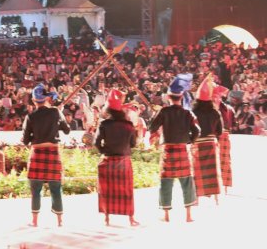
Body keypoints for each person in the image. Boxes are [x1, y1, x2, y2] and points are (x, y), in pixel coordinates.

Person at [149, 74, 199, 222]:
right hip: (183, 149)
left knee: (166, 182)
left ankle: (166, 215)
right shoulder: (187, 113)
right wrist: (189, 140)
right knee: (187, 182)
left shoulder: (164, 111)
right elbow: (197, 130)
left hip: (168, 150)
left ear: (169, 97)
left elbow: (152, 128)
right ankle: (188, 216)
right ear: (181, 97)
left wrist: (155, 114)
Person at [22, 84, 70, 227]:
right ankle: (60, 221)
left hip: (37, 152)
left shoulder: (30, 116)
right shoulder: (55, 112)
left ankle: (34, 221)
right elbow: (67, 130)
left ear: (34, 100)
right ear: (47, 98)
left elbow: (25, 140)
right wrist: (59, 117)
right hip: (53, 152)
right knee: (56, 188)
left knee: (35, 189)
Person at [94, 90, 139, 226]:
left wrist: (104, 151)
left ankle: (107, 217)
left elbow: (96, 143)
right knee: (127, 190)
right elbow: (133, 144)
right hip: (124, 161)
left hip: (108, 160)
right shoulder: (129, 125)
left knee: (107, 190)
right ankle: (131, 218)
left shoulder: (104, 124)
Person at [191, 74, 223, 204]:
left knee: (197, 171)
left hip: (198, 143)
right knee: (213, 171)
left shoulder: (193, 113)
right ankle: (216, 199)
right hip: (210, 143)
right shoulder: (215, 112)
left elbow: (190, 130)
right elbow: (219, 131)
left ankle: (196, 199)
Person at [213, 84, 234, 192]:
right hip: (219, 135)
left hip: (221, 135)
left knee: (224, 161)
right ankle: (219, 188)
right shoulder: (228, 108)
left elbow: (230, 124)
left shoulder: (226, 108)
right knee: (222, 160)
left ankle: (224, 187)